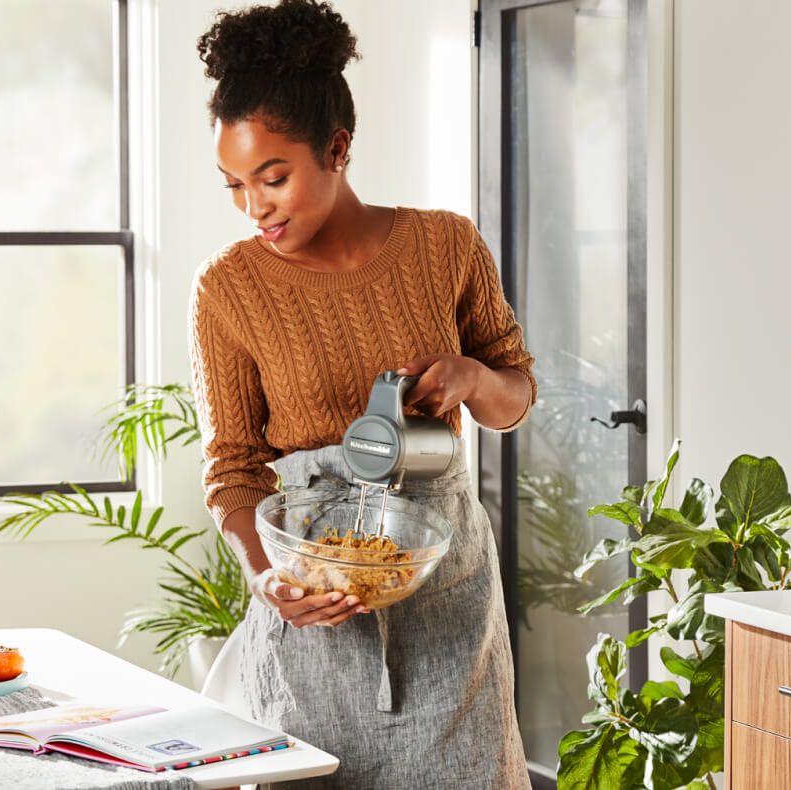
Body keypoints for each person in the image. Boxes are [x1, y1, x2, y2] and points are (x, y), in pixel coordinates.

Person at [187, 2, 535, 787]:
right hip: (316, 603)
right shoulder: (228, 289)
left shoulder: (445, 244)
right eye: (235, 185)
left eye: (272, 177)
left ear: (337, 148)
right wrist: (267, 577)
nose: (255, 207)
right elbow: (234, 466)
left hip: (448, 603)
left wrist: (476, 378)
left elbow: (512, 398)